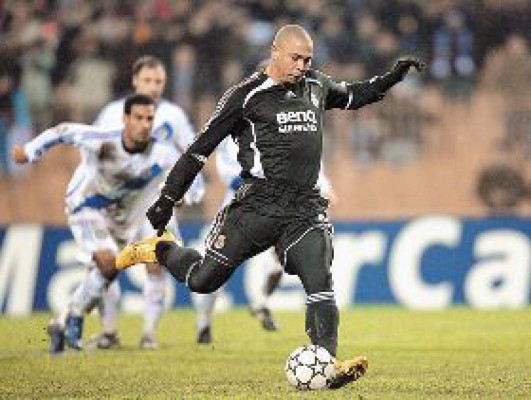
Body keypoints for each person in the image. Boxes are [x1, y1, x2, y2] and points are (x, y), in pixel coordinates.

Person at [117, 24, 424, 389]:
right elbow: (199, 150)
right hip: (256, 206)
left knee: (320, 279)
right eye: (295, 58)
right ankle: (160, 249)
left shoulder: (316, 85)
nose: (302, 66)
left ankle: (327, 364)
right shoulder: (245, 96)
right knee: (202, 281)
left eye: (307, 59)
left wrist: (392, 77)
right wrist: (168, 198)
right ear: (275, 52)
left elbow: (356, 95)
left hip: (304, 208)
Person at [11, 94, 179, 353]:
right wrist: (30, 151)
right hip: (86, 206)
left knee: (106, 273)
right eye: (138, 118)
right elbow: (63, 131)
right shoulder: (103, 139)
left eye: (149, 119)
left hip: (120, 219)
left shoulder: (162, 153)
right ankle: (77, 316)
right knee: (107, 260)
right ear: (125, 119)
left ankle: (64, 319)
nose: (144, 124)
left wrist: (184, 195)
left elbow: (184, 174)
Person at [91, 55, 204, 350]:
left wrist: (190, 193)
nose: (153, 86)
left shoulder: (174, 116)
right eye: (148, 80)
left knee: (155, 264)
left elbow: (194, 155)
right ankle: (108, 330)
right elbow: (92, 153)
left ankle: (149, 333)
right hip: (116, 205)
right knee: (106, 265)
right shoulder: (112, 113)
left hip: (155, 204)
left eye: (159, 81)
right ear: (134, 81)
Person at [195, 136, 336, 344]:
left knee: (281, 259)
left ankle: (261, 302)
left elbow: (309, 162)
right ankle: (204, 323)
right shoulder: (237, 134)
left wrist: (325, 187)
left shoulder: (287, 129)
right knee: (214, 268)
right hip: (240, 207)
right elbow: (228, 172)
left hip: (279, 206)